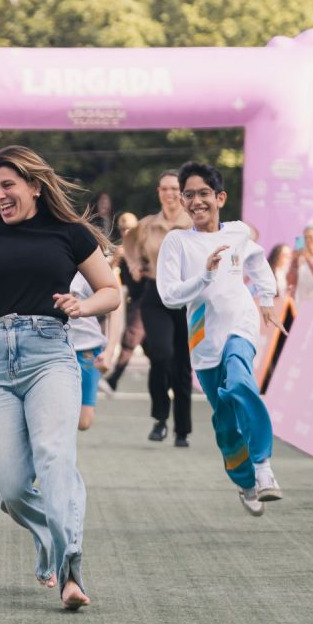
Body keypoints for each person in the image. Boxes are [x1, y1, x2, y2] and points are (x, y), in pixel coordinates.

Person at [0, 145, 119, 611]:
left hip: (49, 354)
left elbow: (110, 291)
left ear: (34, 185)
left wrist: (81, 306)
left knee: (54, 456)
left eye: (8, 185)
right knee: (11, 489)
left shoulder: (70, 234)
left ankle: (71, 568)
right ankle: (50, 533)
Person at [157, 161, 284, 516]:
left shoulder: (238, 232)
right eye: (189, 195)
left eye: (203, 194)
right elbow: (169, 295)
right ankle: (245, 481)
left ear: (220, 198)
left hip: (241, 325)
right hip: (203, 339)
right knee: (225, 421)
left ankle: (263, 467)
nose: (196, 201)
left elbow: (257, 262)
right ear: (183, 201)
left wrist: (266, 298)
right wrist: (205, 275)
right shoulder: (177, 242)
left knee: (241, 382)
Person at [123, 170, 193, 446]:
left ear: (183, 192)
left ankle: (182, 430)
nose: (170, 193)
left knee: (182, 363)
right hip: (156, 294)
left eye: (175, 188)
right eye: (165, 188)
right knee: (161, 354)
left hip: (187, 296)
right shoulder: (148, 224)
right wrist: (133, 264)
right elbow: (128, 242)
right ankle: (160, 419)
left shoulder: (194, 222)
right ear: (159, 192)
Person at [67, 272, 118, 431]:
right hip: (54, 348)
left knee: (83, 423)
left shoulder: (87, 270)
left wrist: (109, 352)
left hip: (87, 348)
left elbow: (114, 309)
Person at [102, 211, 145, 394]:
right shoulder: (121, 250)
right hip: (133, 300)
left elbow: (140, 276)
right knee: (149, 347)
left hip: (147, 300)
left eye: (129, 228)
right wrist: (116, 259)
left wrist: (129, 257)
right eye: (122, 229)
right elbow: (106, 277)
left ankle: (113, 380)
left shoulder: (143, 248)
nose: (126, 232)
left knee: (130, 338)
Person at [287, 224, 313, 304]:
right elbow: (291, 281)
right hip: (301, 301)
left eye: (310, 237)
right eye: (305, 237)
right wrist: (294, 261)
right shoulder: (301, 258)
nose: (307, 240)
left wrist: (308, 258)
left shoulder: (306, 257)